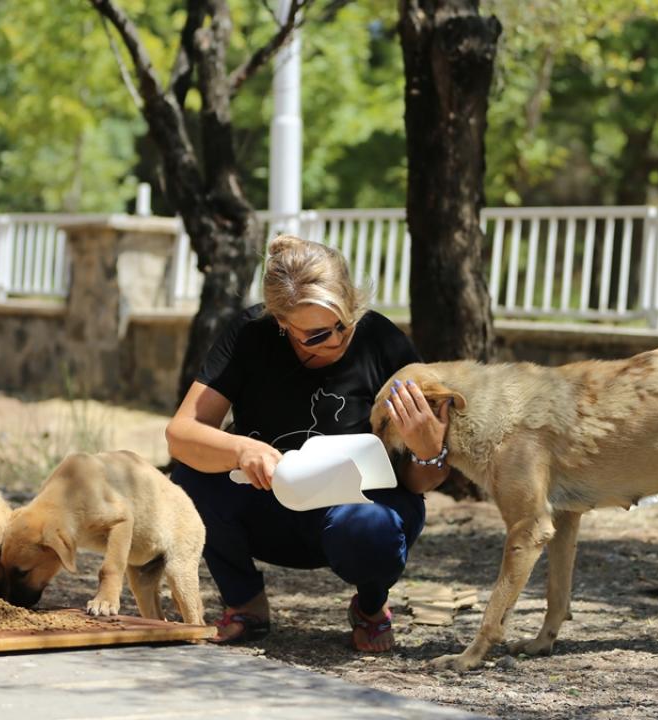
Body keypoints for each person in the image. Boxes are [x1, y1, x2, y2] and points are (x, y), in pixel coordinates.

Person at [166, 234, 452, 652]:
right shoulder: (250, 335)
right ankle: (245, 602)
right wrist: (242, 449)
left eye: (344, 323)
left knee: (372, 529)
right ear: (280, 323)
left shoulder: (382, 340)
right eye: (315, 336)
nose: (335, 340)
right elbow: (181, 434)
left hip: (355, 512)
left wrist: (429, 451)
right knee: (189, 479)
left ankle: (371, 607)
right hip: (270, 503)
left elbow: (420, 482)